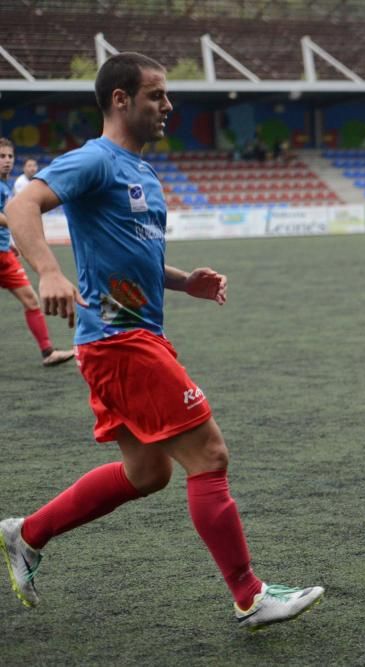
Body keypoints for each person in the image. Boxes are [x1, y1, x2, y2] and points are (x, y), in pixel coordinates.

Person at [0, 53, 323, 629]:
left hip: (135, 336)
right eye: (156, 96)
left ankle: (27, 533)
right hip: (120, 341)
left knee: (149, 473)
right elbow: (20, 204)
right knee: (210, 455)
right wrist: (48, 270)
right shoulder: (94, 160)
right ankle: (250, 595)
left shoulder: (143, 172)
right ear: (120, 99)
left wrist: (182, 281)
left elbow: (129, 252)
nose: (168, 106)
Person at [0, 139, 74, 367]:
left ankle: (48, 351)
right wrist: (15, 223)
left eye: (10, 157)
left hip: (4, 254)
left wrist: (9, 242)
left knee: (31, 301)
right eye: (1, 157)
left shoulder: (5, 185)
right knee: (32, 302)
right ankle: (48, 352)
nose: (7, 161)